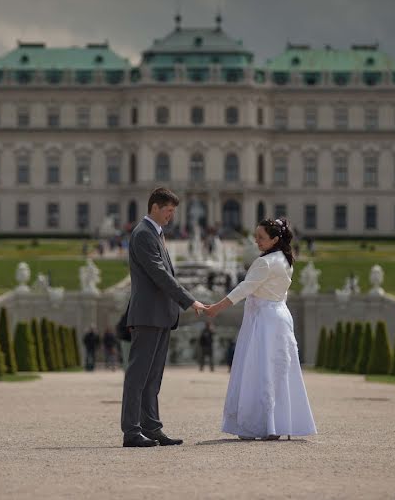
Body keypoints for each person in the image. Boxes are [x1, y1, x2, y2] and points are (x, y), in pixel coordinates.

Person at [204, 217, 317, 441]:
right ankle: (278, 422)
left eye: (261, 238)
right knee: (279, 371)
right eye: (256, 236)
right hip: (280, 317)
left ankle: (260, 424)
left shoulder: (265, 262)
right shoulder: (286, 259)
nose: (256, 241)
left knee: (258, 369)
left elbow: (243, 289)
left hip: (264, 320)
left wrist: (216, 307)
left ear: (275, 239)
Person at [121, 187, 206, 448]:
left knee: (152, 378)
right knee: (138, 376)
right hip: (148, 315)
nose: (171, 216)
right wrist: (189, 299)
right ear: (155, 207)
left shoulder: (154, 234)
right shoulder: (144, 234)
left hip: (159, 315)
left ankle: (151, 427)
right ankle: (132, 431)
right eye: (168, 211)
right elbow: (159, 274)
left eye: (173, 212)